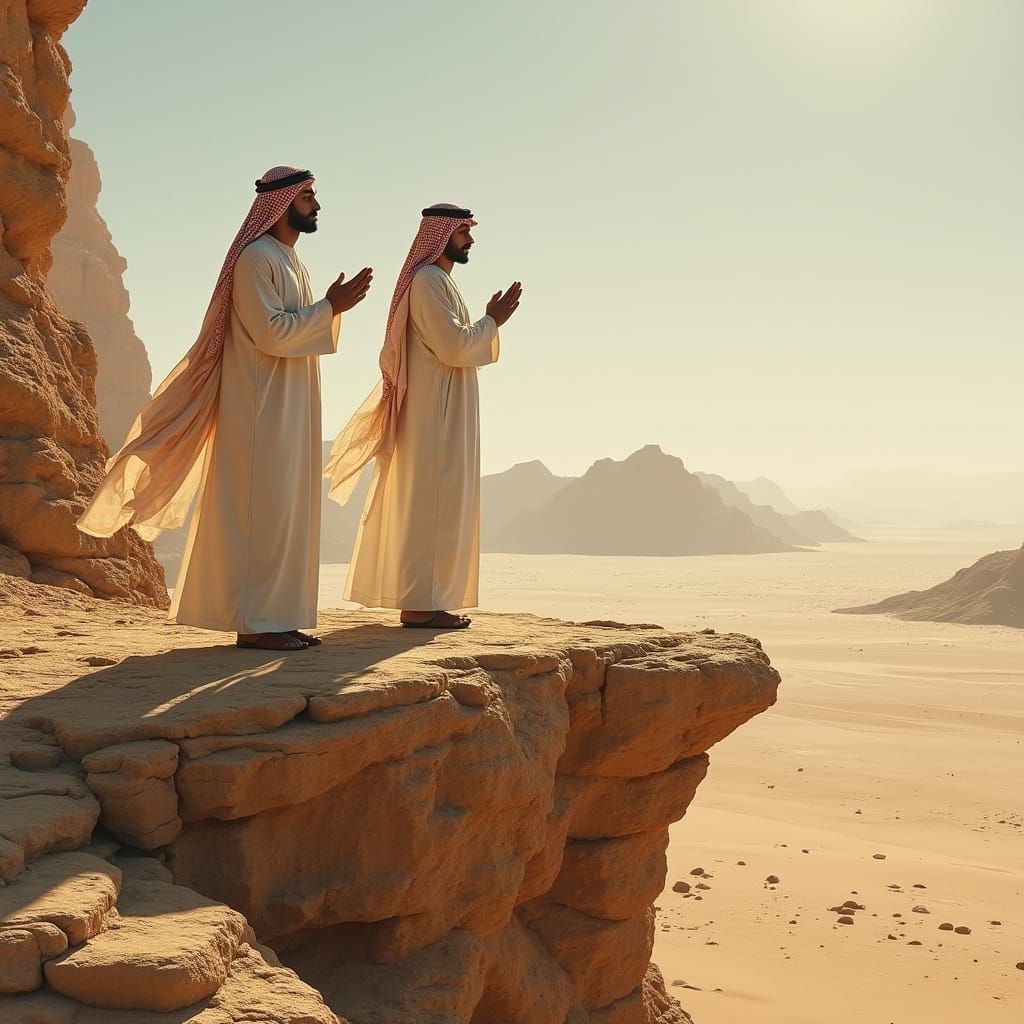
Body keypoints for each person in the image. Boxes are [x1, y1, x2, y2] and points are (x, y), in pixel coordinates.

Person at [78, 166, 372, 651]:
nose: (317, 205)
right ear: (281, 203)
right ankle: (255, 624)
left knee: (286, 513)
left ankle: (279, 617)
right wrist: (331, 308)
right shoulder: (256, 258)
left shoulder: (291, 261)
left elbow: (296, 328)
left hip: (291, 406)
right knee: (261, 512)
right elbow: (271, 332)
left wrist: (327, 307)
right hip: (260, 408)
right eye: (307, 197)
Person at [325, 204, 521, 628]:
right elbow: (453, 345)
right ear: (442, 235)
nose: (470, 240)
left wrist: (488, 323)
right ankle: (420, 604)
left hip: (444, 410)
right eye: (464, 232)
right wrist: (493, 320)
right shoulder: (428, 281)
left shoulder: (439, 282)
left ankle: (430, 601)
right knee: (433, 505)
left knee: (442, 505)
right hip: (435, 415)